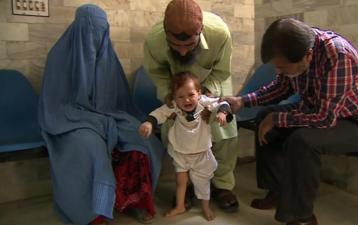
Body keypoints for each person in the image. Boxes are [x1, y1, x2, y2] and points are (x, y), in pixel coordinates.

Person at [223, 18, 358, 225]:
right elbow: (281, 88)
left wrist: (279, 118)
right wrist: (242, 101)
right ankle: (278, 191)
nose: (279, 72)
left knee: (303, 141)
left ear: (307, 56)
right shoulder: (298, 46)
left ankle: (302, 216)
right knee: (265, 115)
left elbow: (325, 118)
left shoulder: (339, 56)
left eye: (282, 68)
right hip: (318, 110)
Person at [38, 4, 165, 225]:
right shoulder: (59, 57)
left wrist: (106, 118)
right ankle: (93, 214)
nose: (95, 38)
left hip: (109, 115)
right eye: (89, 31)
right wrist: (90, 119)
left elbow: (118, 102)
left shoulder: (109, 60)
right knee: (91, 149)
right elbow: (54, 104)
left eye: (100, 31)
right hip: (70, 122)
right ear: (77, 29)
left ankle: (131, 202)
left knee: (142, 140)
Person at [143, 0, 239, 212]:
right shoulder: (154, 40)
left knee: (226, 132)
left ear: (201, 31)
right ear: (166, 34)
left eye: (189, 45)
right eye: (176, 46)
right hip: (176, 85)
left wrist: (209, 96)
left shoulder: (219, 33)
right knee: (174, 132)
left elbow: (222, 72)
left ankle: (222, 185)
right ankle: (184, 184)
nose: (184, 53)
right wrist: (169, 94)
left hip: (212, 81)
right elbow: (156, 72)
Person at [139, 72, 234, 221]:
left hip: (201, 152)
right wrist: (149, 123)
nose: (186, 100)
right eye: (180, 97)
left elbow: (223, 103)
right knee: (180, 181)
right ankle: (180, 205)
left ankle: (205, 207)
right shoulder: (174, 106)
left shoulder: (203, 102)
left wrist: (222, 113)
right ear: (174, 98)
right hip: (181, 152)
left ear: (199, 93)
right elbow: (158, 113)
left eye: (191, 94)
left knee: (203, 183)